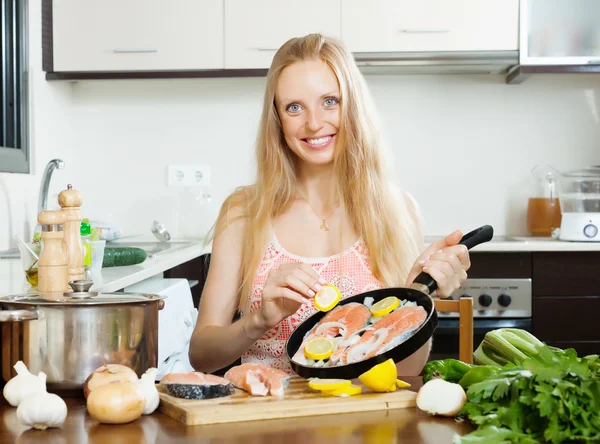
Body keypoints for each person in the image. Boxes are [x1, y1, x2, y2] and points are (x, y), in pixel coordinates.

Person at [189, 33, 470, 376]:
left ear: (352, 105)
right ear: (277, 118)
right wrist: (258, 321)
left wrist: (417, 298)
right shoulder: (244, 211)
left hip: (363, 424)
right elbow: (202, 356)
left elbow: (407, 372)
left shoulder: (398, 210)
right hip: (267, 423)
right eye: (294, 107)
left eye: (330, 101)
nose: (314, 123)